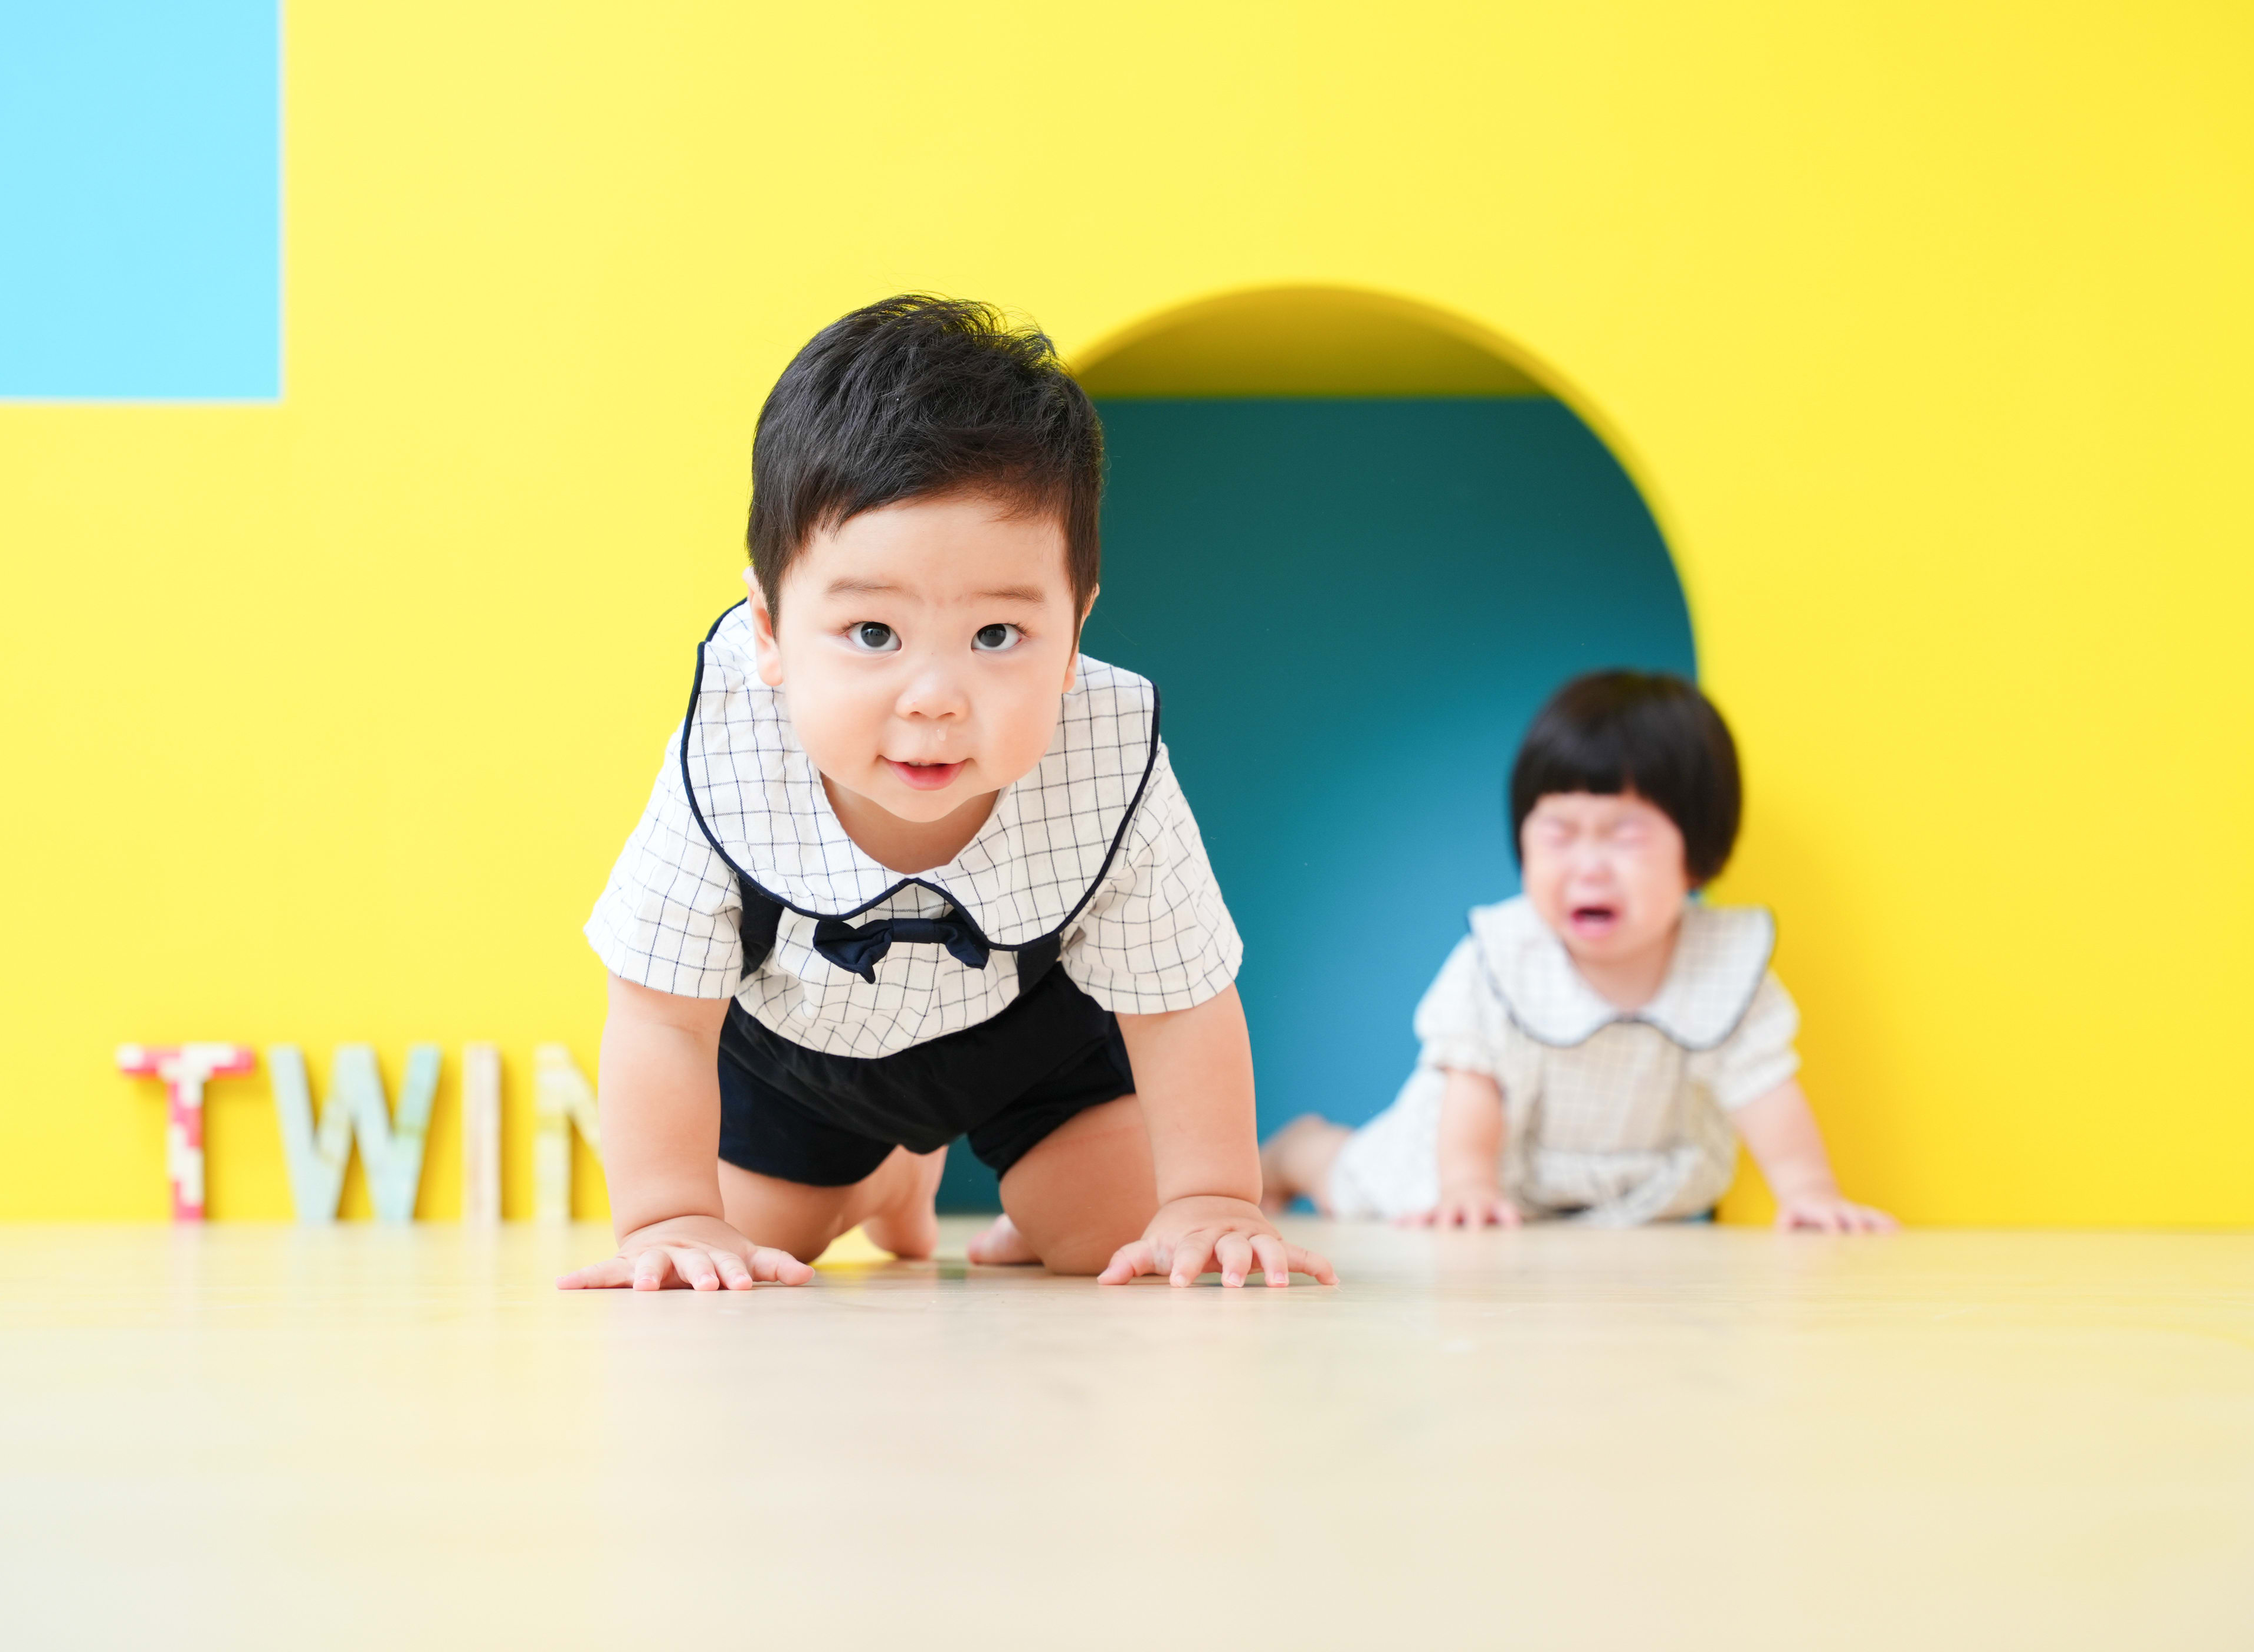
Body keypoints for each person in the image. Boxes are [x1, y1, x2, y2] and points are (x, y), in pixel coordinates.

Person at [561, 296, 1334, 1293]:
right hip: (802, 1045)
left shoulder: (1107, 758)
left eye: (996, 638)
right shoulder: (728, 757)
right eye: (872, 635)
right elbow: (661, 1017)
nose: (933, 700)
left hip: (1033, 1032)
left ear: (1073, 628)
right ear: (767, 629)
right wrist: (666, 1216)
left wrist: (1214, 1197)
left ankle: (1039, 1209)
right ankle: (880, 1182)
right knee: (755, 1239)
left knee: (1124, 1236)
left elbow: (1182, 1002)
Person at [1262, 671, 1895, 1231]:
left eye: (1626, 837)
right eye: (1559, 835)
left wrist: (1808, 1192)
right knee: (1358, 1184)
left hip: (1618, 1181)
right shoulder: (1506, 958)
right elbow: (1473, 1085)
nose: (1589, 868)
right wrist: (1466, 1184)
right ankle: (1302, 1150)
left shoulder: (1722, 966)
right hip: (1477, 1151)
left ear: (1698, 856)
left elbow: (1764, 1085)